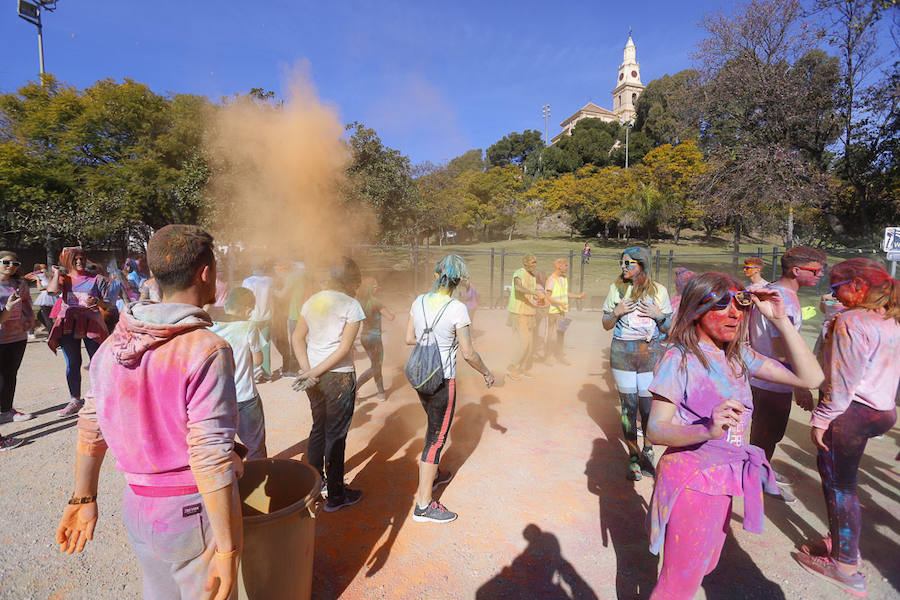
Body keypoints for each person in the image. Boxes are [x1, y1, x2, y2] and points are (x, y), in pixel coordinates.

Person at [55, 225, 243, 600]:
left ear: (155, 276)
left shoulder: (112, 344)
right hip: (191, 512)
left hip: (138, 507)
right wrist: (228, 548)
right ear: (206, 273)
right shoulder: (205, 348)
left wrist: (83, 497)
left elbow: (92, 423)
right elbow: (209, 456)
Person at [646, 272, 824, 599]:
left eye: (739, 306)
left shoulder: (739, 355)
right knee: (678, 585)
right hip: (693, 482)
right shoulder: (680, 358)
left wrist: (780, 319)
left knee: (704, 565)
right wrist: (707, 429)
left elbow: (811, 377)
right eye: (720, 306)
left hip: (724, 481)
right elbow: (655, 429)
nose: (734, 314)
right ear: (695, 311)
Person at [794, 259, 900, 596]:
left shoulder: (852, 322)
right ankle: (839, 538)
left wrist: (821, 419)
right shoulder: (890, 317)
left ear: (856, 285)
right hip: (881, 410)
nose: (831, 294)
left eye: (836, 288)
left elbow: (842, 382)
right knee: (845, 482)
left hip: (851, 413)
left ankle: (844, 565)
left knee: (839, 485)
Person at [405, 255, 495, 523]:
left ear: (436, 275)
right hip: (443, 379)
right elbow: (469, 353)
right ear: (458, 280)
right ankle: (423, 505)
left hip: (421, 377)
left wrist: (430, 339)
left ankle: (433, 476)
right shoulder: (457, 309)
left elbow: (409, 338)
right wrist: (487, 372)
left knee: (433, 427)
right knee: (435, 439)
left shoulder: (418, 301)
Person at [748, 246, 827, 499]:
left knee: (763, 433)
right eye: (815, 270)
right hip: (774, 380)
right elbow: (782, 350)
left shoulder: (772, 290)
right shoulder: (786, 301)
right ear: (796, 270)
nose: (820, 275)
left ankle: (761, 473)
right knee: (766, 436)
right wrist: (800, 385)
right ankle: (757, 481)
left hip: (761, 375)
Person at [292, 257, 366, 512]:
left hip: (313, 378)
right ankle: (335, 495)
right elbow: (344, 348)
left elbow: (297, 337)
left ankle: (314, 487)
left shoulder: (314, 300)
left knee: (318, 429)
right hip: (339, 377)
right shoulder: (352, 305)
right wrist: (311, 371)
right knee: (336, 435)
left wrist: (307, 370)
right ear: (352, 279)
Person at [601, 247, 672, 480]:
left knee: (648, 407)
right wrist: (617, 312)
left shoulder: (659, 290)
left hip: (649, 352)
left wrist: (659, 316)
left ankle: (648, 451)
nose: (624, 267)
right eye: (622, 263)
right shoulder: (616, 289)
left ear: (641, 264)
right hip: (622, 352)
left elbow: (669, 329)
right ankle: (633, 457)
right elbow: (606, 324)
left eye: (629, 263)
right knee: (628, 407)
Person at [46, 247, 110, 417]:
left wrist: (96, 301)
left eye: (81, 259)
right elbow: (52, 291)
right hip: (69, 325)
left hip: (92, 325)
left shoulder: (97, 279)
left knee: (98, 363)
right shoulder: (64, 279)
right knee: (72, 363)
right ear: (67, 262)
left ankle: (100, 398)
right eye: (75, 260)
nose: (79, 262)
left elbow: (107, 305)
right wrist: (56, 274)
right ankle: (75, 400)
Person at [210, 287, 268, 459]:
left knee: (222, 447)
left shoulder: (210, 326)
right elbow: (259, 360)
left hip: (217, 399)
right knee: (255, 447)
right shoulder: (248, 326)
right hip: (245, 397)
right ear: (248, 310)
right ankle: (258, 483)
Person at [0, 251, 36, 429]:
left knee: (10, 375)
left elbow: (27, 301)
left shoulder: (19, 283)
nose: (11, 266)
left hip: (17, 336)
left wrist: (30, 319)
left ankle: (6, 411)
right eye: (6, 262)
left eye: (15, 264)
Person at [506, 255, 546, 380]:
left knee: (530, 344)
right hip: (519, 312)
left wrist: (538, 299)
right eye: (532, 262)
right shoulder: (519, 273)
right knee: (524, 341)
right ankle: (511, 368)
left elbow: (530, 294)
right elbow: (518, 287)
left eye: (536, 262)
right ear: (526, 263)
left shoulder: (533, 277)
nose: (535, 264)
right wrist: (534, 293)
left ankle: (521, 369)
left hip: (530, 313)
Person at [356, 277, 396, 401]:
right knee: (376, 366)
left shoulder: (359, 302)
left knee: (375, 364)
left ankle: (381, 392)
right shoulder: (376, 302)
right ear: (370, 288)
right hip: (374, 339)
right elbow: (390, 317)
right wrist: (392, 313)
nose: (377, 287)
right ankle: (354, 388)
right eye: (375, 286)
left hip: (364, 337)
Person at [543, 258, 585, 365]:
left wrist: (577, 296)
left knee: (561, 332)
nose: (567, 267)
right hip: (552, 311)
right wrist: (560, 303)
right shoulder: (551, 279)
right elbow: (547, 297)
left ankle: (560, 356)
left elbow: (565, 293)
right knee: (550, 334)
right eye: (565, 265)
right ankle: (547, 356)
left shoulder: (564, 278)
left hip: (561, 311)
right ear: (558, 266)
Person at [242, 263, 275, 382]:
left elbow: (244, 299)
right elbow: (272, 299)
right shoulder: (270, 281)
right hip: (266, 316)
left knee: (253, 345)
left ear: (252, 267)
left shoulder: (248, 281)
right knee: (266, 345)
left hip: (253, 317)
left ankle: (256, 371)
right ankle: (267, 373)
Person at [25, 263, 55, 335]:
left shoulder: (42, 275)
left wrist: (36, 275)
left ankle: (52, 334)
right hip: (52, 297)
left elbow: (26, 276)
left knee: (47, 318)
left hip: (46, 297)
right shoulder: (50, 274)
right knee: (40, 316)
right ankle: (52, 331)